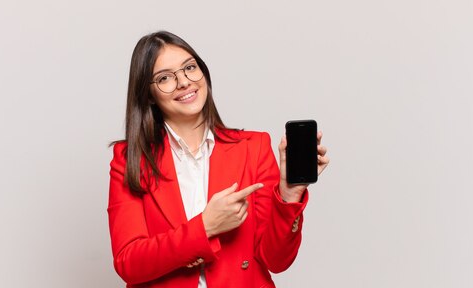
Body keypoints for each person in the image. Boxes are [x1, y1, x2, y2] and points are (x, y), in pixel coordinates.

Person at [108, 31, 329, 288]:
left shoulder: (252, 148)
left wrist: (289, 195)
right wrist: (204, 227)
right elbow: (129, 263)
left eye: (190, 68)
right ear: (148, 95)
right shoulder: (129, 159)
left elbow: (276, 260)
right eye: (165, 78)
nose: (184, 82)